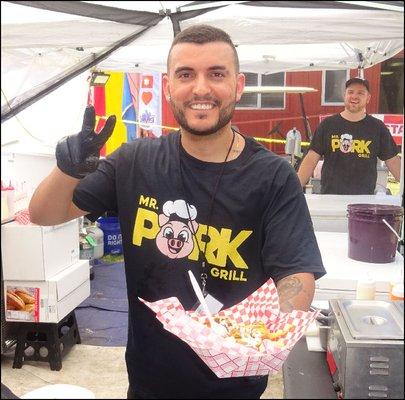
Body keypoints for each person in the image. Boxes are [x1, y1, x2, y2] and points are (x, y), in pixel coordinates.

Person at [29, 24, 325, 399]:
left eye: (216, 74)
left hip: (235, 386)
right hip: (149, 384)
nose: (201, 88)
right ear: (169, 86)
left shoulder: (272, 176)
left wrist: (265, 334)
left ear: (238, 85)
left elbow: (296, 272)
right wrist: (67, 169)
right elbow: (44, 214)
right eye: (186, 75)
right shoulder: (135, 161)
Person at [297, 77, 401, 195]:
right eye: (350, 92)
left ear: (368, 98)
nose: (354, 96)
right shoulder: (328, 125)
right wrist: (293, 190)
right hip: (330, 198)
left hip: (364, 202)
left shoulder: (377, 127)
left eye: (360, 93)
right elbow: (311, 159)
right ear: (344, 96)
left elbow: (392, 160)